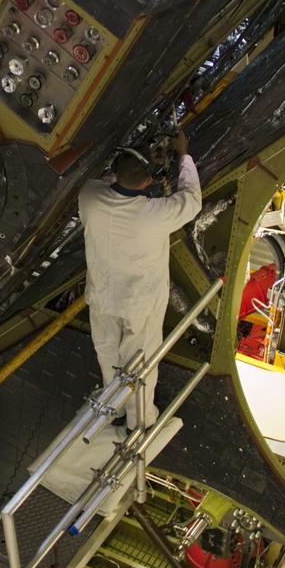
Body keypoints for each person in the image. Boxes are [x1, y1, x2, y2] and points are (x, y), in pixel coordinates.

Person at [78, 130, 202, 431]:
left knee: (107, 355)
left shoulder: (89, 197)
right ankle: (140, 423)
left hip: (102, 297)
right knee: (140, 367)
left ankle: (112, 409)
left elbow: (110, 182)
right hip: (140, 305)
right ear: (149, 181)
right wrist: (183, 155)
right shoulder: (155, 214)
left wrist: (138, 165)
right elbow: (191, 199)